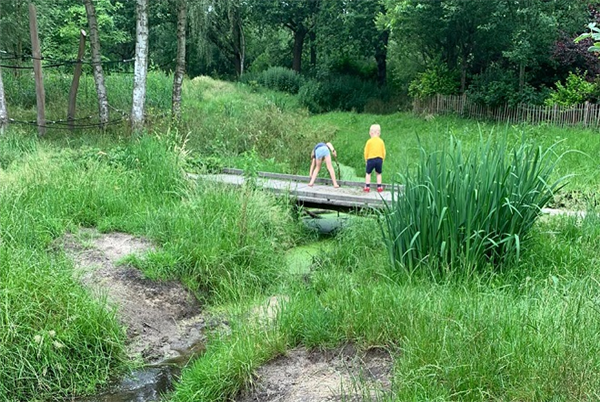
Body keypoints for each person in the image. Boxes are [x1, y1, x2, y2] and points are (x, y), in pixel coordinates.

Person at [363, 124, 386, 192]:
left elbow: (366, 151)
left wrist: (366, 159)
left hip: (370, 159)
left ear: (371, 133)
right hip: (379, 159)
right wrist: (382, 159)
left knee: (368, 173)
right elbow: (384, 151)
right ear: (379, 133)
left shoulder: (369, 141)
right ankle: (379, 187)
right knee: (378, 173)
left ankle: (367, 186)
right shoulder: (381, 141)